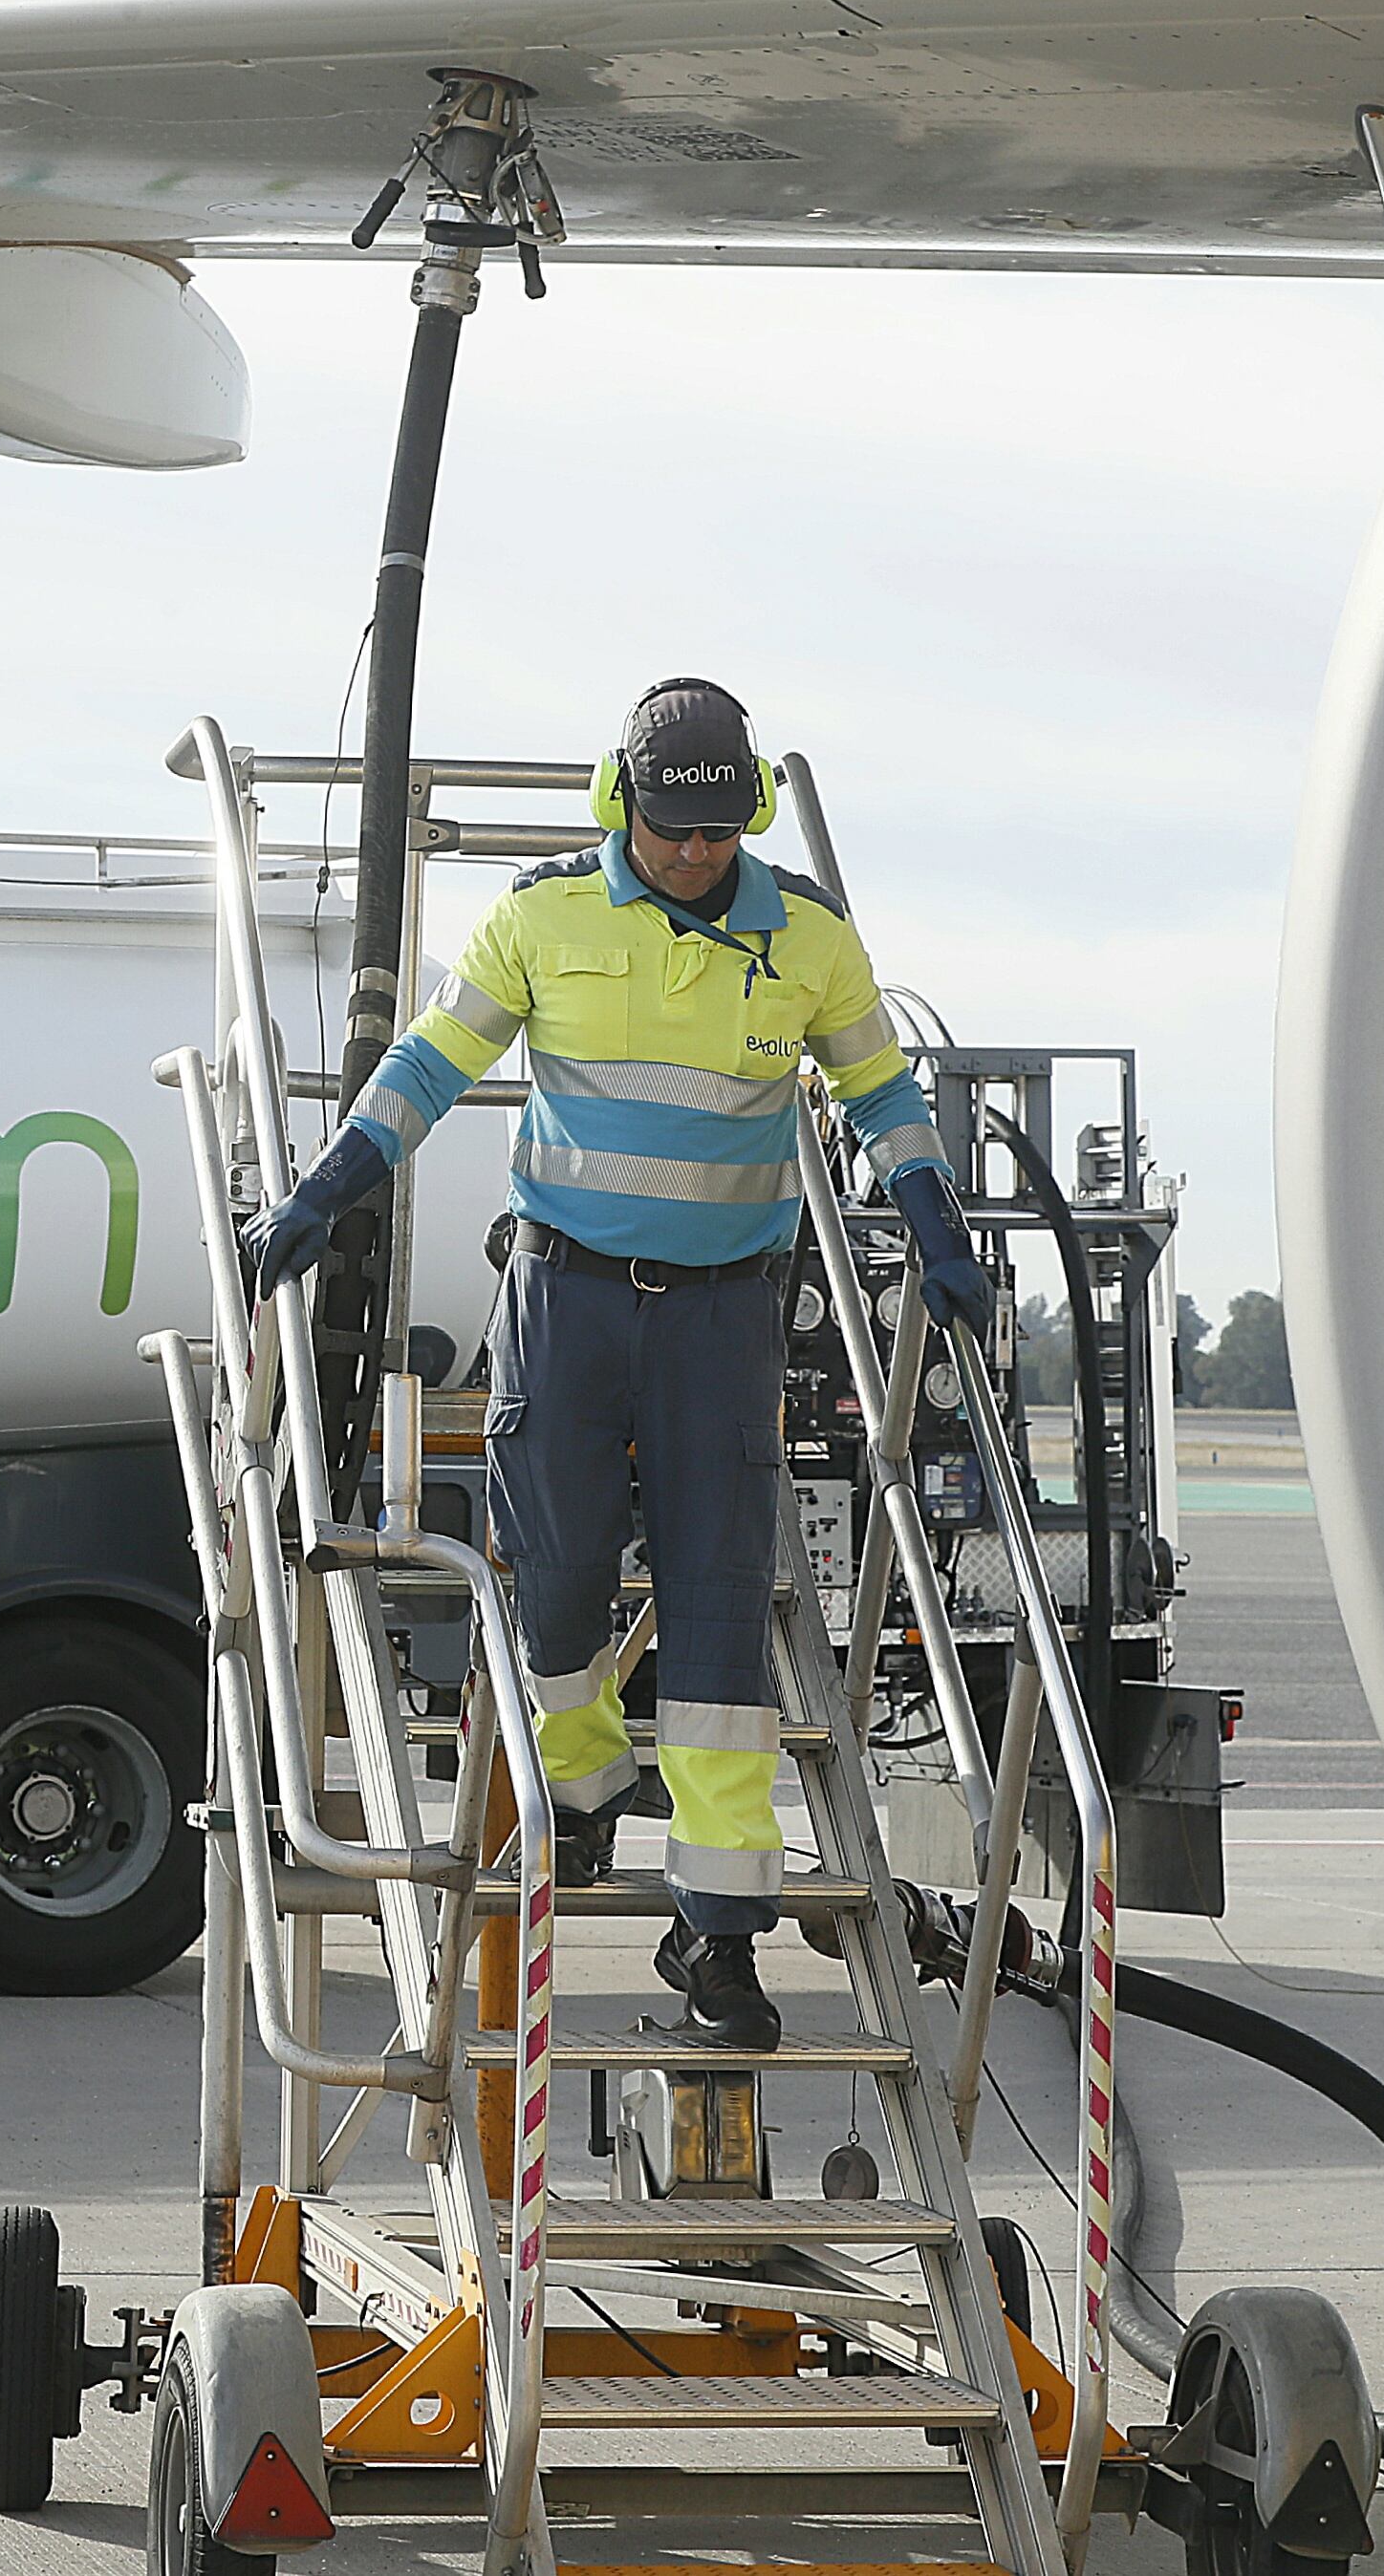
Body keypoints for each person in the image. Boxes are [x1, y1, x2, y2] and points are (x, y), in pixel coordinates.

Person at [243, 678, 985, 2052]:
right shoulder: (542, 919)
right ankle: (578, 1780)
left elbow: (879, 1088)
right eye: (664, 829)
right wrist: (330, 1181)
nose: (689, 854)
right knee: (559, 1581)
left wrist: (935, 1220)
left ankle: (718, 1934)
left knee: (714, 1620)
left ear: (748, 815)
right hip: (566, 1298)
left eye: (712, 833)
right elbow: (430, 1057)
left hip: (721, 1317)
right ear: (617, 805)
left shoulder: (808, 937)